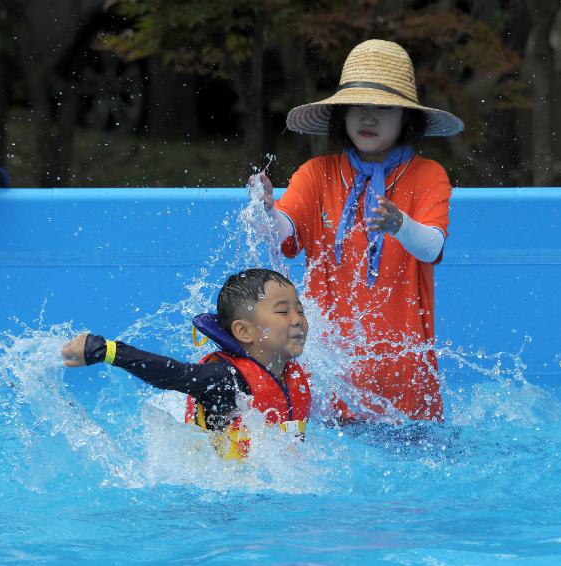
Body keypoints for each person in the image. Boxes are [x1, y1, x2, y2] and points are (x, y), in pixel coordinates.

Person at [253, 39, 463, 423]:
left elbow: (433, 247)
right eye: (358, 107)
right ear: (342, 115)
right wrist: (266, 211)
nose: (368, 117)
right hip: (329, 376)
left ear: (406, 117)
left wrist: (400, 225)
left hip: (405, 378)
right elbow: (283, 230)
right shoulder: (317, 173)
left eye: (382, 108)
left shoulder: (427, 174)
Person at [60, 268, 310, 460]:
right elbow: (174, 374)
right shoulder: (224, 378)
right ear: (244, 331)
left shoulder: (292, 377)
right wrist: (107, 350)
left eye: (299, 310)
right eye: (283, 312)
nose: (297, 320)